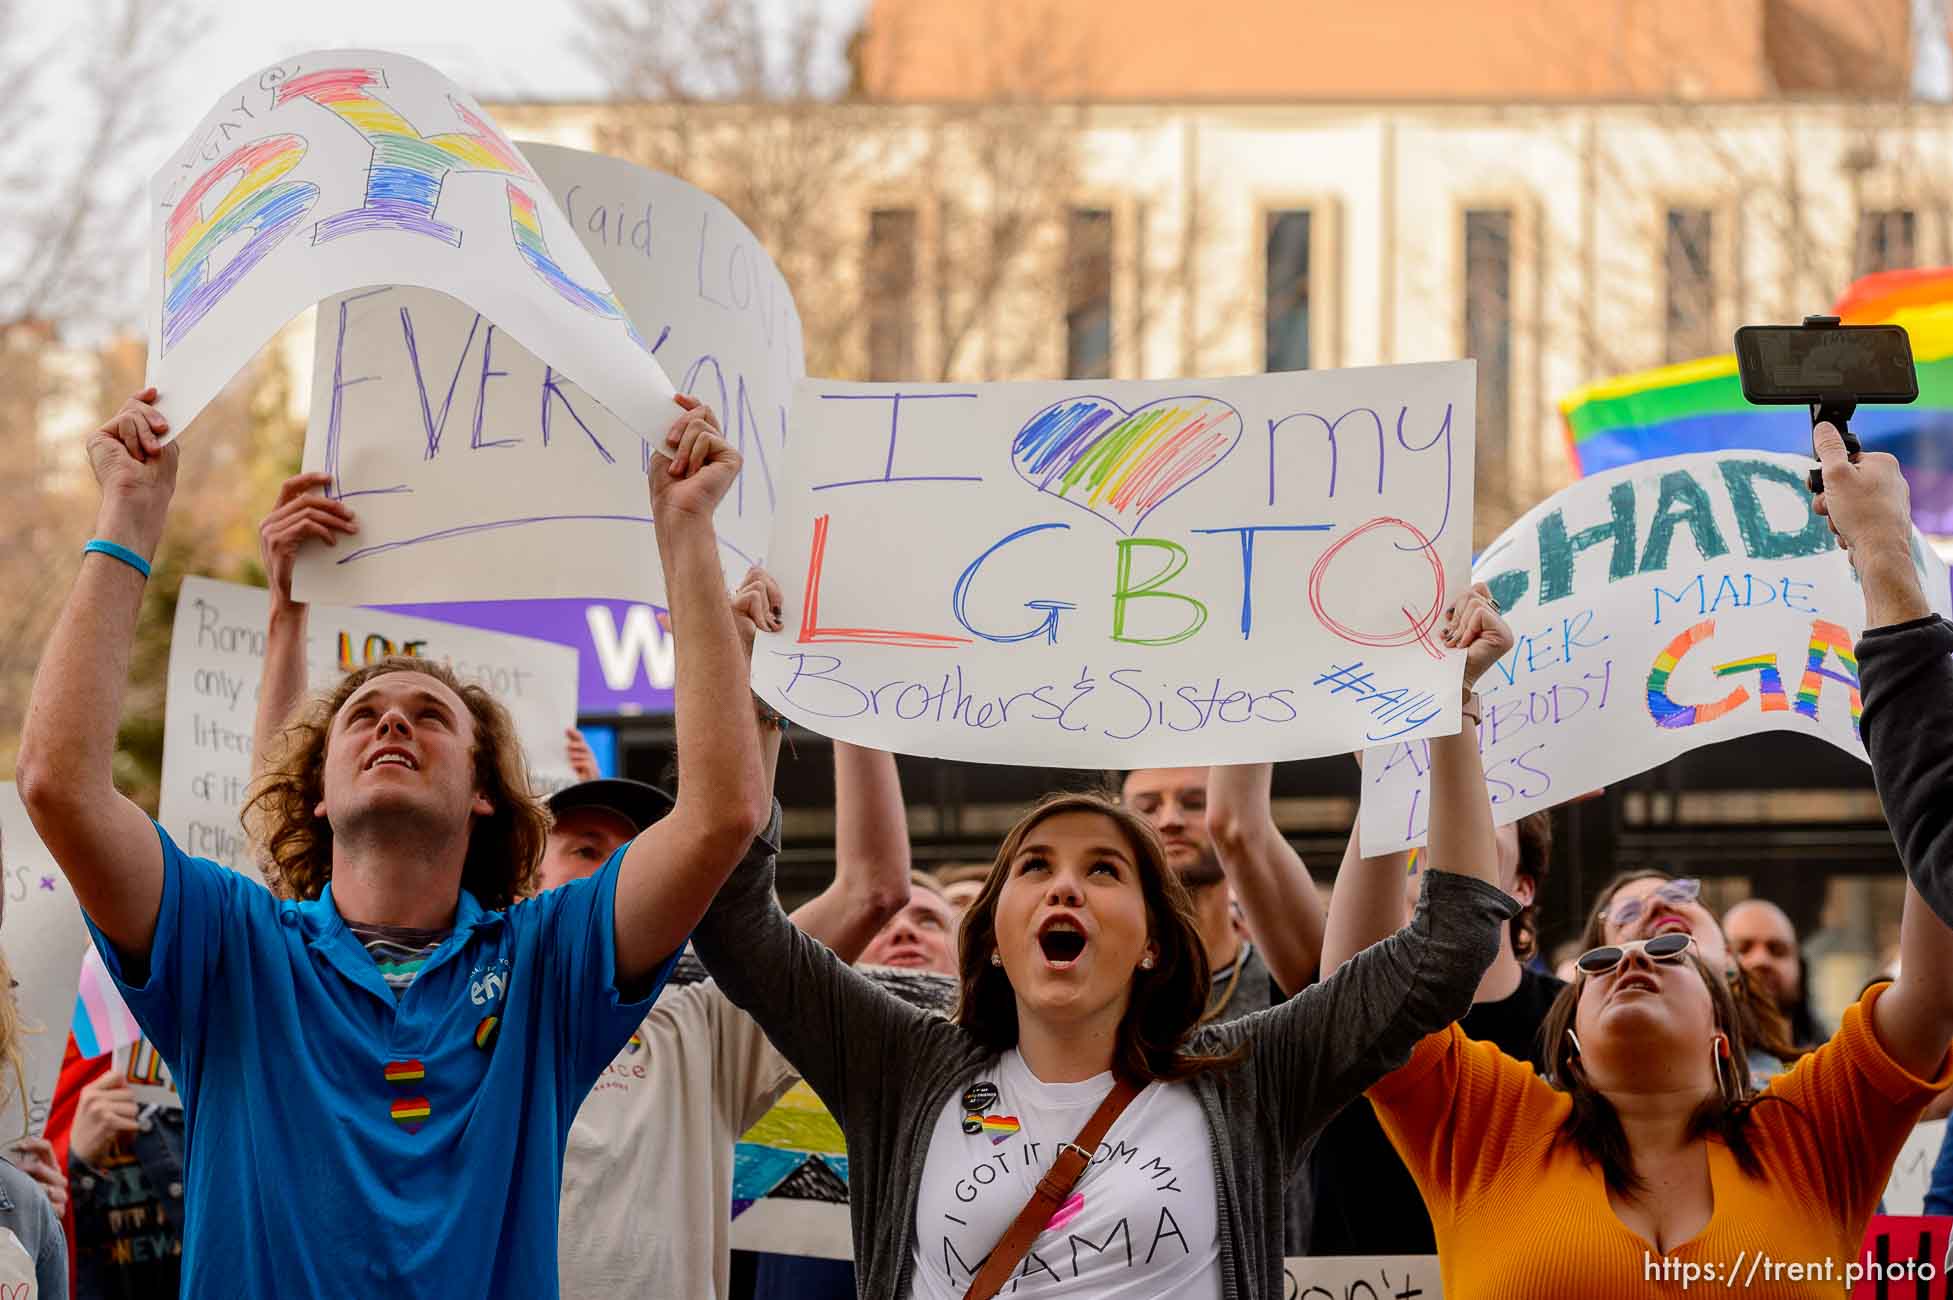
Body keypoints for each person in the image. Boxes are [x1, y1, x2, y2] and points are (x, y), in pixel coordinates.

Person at [16, 390, 769, 1296]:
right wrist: (127, 517)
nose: (391, 727)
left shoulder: (547, 964)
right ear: (321, 796)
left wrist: (686, 531)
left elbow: (719, 815)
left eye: (429, 717)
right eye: (363, 716)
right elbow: (59, 785)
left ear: (485, 793)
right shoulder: (231, 950)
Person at [691, 587, 1516, 1298]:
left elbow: (1449, 942)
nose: (1064, 887)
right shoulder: (897, 1061)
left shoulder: (1250, 1075)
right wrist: (756, 698)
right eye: (1036, 866)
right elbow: (735, 924)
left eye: (1104, 870)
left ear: (1155, 940)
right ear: (992, 939)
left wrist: (1451, 711)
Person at [1346, 428, 1953, 1297]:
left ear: (1722, 1031)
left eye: (1668, 951)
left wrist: (1888, 564)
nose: (1630, 954)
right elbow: (1364, 998)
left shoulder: (1811, 1129)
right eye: (1596, 959)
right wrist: (1408, 753)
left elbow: (1930, 990)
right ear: (1571, 1048)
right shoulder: (1492, 1128)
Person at [1305, 803, 1562, 1256]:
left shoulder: (1572, 1017)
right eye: (1421, 810)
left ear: (1523, 887)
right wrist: (1388, 781)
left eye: (1493, 802)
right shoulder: (1358, 1010)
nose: (1449, 810)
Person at [1122, 764, 1324, 1011]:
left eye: (1195, 803)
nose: (1170, 820)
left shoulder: (1286, 968)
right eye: (1148, 808)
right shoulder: (1102, 983)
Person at [1576, 871, 1804, 1084]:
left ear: (1728, 959)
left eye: (1678, 895)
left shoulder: (1801, 1097)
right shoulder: (1553, 1113)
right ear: (1595, 977)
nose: (1657, 904)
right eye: (1628, 913)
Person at [1724, 898, 1824, 1048]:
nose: (1761, 960)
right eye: (1742, 949)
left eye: (1777, 950)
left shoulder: (1831, 1061)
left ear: (1800, 968)